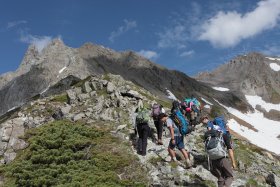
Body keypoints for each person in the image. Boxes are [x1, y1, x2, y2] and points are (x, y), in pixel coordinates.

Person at [201, 115, 236, 187]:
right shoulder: (224, 134)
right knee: (230, 176)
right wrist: (233, 162)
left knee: (221, 177)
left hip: (212, 159)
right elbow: (230, 149)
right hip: (222, 158)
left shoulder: (210, 136)